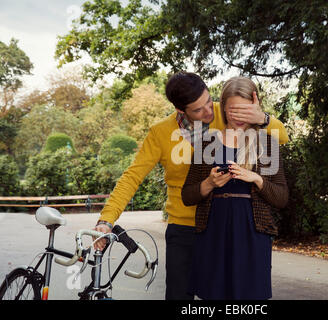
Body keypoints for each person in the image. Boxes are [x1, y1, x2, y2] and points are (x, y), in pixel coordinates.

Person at [93, 72, 289, 300]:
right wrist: (106, 220)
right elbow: (132, 177)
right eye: (198, 109)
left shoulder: (226, 112)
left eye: (209, 101)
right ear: (181, 111)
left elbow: (280, 137)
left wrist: (262, 117)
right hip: (185, 228)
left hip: (222, 227)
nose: (209, 112)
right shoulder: (160, 133)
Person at [181, 77, 289, 300]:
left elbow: (281, 198)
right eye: (233, 110)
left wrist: (256, 179)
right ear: (223, 108)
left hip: (253, 232)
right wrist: (209, 184)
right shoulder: (207, 142)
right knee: (214, 295)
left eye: (245, 110)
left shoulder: (266, 143)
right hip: (213, 230)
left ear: (255, 107)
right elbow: (187, 196)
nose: (239, 117)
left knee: (248, 298)